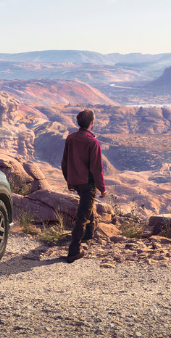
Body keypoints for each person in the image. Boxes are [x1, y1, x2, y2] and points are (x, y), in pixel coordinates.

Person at [60, 109, 107, 263]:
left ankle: (89, 234)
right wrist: (102, 188)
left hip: (77, 182)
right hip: (88, 183)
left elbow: (65, 162)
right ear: (92, 122)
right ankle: (73, 251)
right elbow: (96, 168)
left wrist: (70, 182)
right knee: (82, 216)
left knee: (87, 206)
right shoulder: (92, 142)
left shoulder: (71, 138)